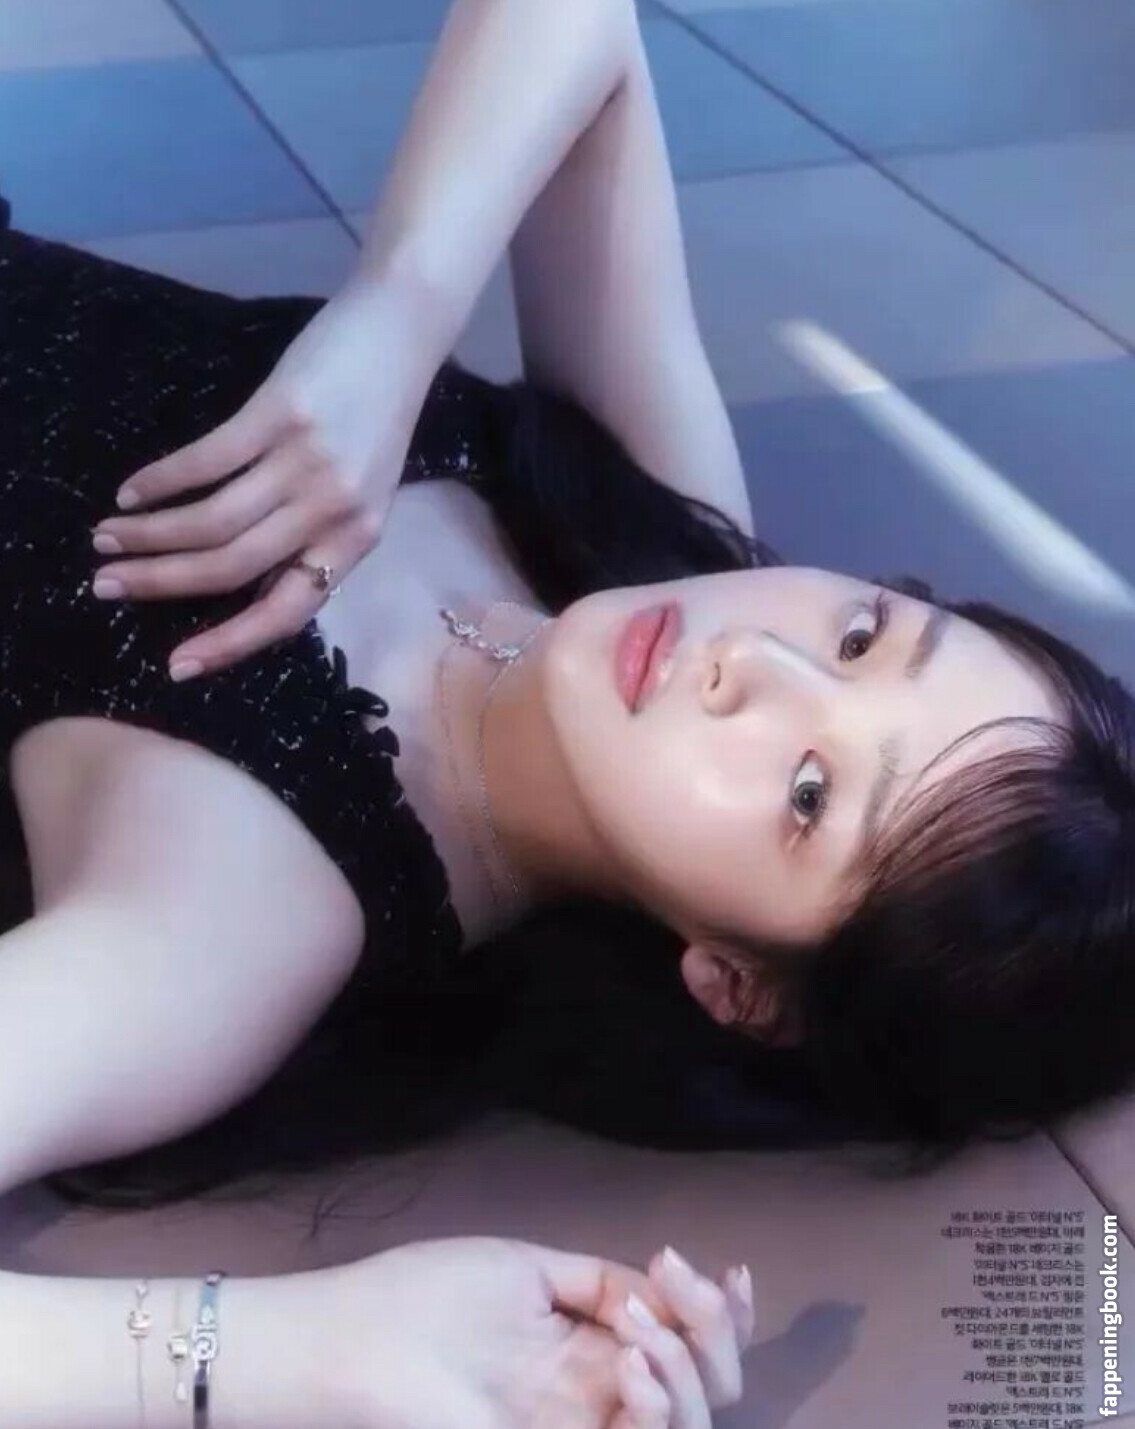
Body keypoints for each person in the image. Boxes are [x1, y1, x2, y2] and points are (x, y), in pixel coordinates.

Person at [0, 0, 1132, 1420]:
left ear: (738, 984)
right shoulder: (663, 527)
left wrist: (296, 1350)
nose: (754, 664)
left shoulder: (242, 923)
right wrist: (393, 320)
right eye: (862, 633)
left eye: (808, 797)